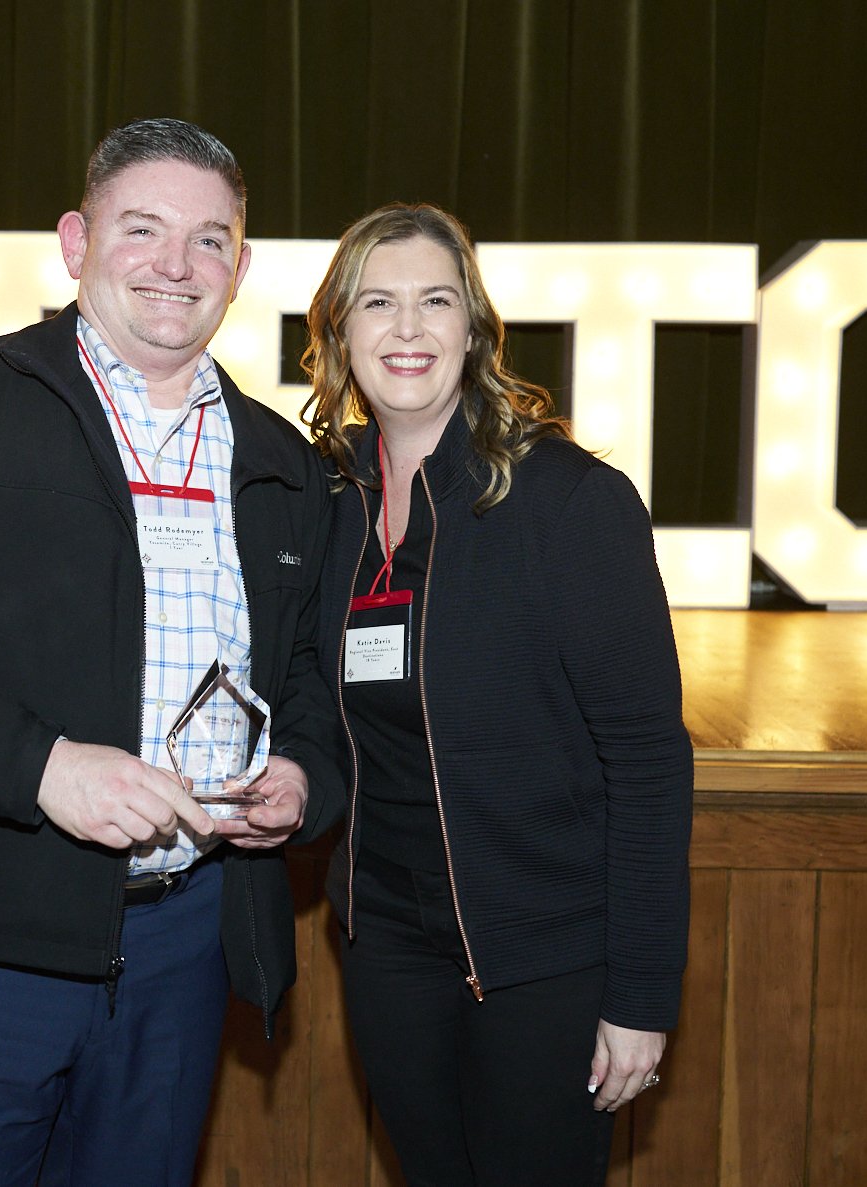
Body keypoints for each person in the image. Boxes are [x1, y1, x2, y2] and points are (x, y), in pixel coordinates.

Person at [0, 119, 344, 1187]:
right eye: (142, 229)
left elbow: (310, 677)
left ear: (241, 269)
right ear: (75, 243)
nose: (176, 264)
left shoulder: (282, 462)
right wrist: (43, 766)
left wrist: (305, 775)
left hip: (184, 948)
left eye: (210, 239)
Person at [301, 203, 694, 1185]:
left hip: (542, 958)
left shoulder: (566, 501)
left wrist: (642, 995)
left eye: (435, 301)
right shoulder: (326, 503)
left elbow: (649, 760)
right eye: (377, 303)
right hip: (387, 947)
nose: (407, 328)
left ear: (474, 329)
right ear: (338, 332)